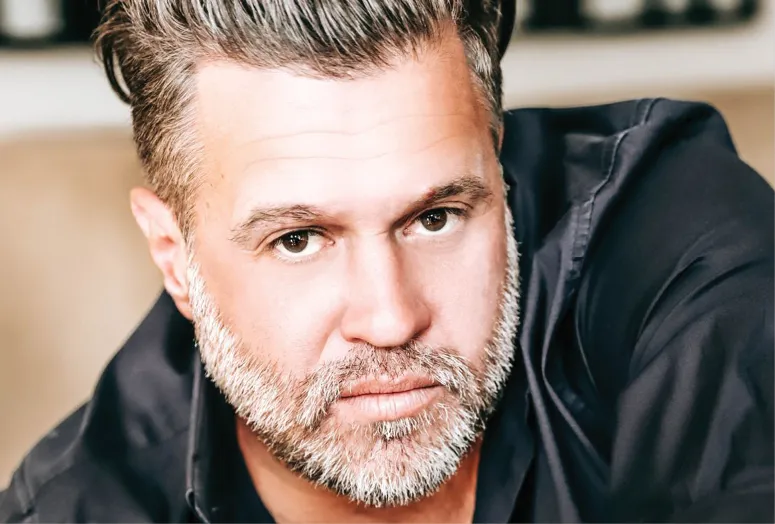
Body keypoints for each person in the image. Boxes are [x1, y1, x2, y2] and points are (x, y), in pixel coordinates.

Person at [1, 0, 772, 522]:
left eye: (434, 218)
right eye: (298, 239)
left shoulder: (664, 239)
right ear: (174, 260)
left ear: (496, 173)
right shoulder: (83, 507)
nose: (391, 316)